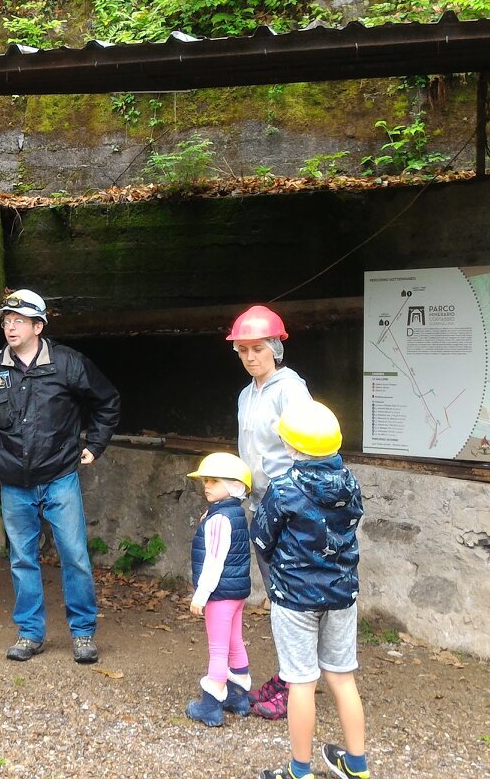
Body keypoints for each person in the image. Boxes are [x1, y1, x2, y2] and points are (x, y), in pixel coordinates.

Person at [0, 289, 121, 664]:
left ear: (38, 325)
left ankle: (82, 633)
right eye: (6, 322)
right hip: (14, 482)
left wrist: (94, 445)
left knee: (75, 555)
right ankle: (30, 634)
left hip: (59, 476)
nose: (10, 327)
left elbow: (107, 401)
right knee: (22, 558)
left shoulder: (67, 364)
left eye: (19, 321)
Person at [250, 401, 369, 779]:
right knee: (342, 676)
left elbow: (262, 536)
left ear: (291, 446)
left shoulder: (284, 488)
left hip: (295, 599)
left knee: (301, 682)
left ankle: (300, 771)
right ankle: (356, 765)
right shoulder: (350, 483)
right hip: (341, 594)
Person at [228, 303, 312, 720]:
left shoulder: (290, 389)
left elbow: (305, 450)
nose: (249, 357)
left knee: (291, 599)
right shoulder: (247, 394)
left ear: (275, 348)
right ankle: (289, 674)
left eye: (256, 349)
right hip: (259, 505)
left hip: (289, 509)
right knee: (278, 596)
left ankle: (296, 685)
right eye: (242, 350)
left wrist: (293, 501)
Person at [183, 453, 257, 727]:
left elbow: (214, 562)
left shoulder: (218, 520)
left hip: (219, 594)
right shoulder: (235, 513)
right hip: (236, 592)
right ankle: (238, 696)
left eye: (214, 481)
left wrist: (201, 595)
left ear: (234, 486)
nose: (207, 485)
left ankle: (210, 705)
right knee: (235, 641)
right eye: (206, 481)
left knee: (218, 649)